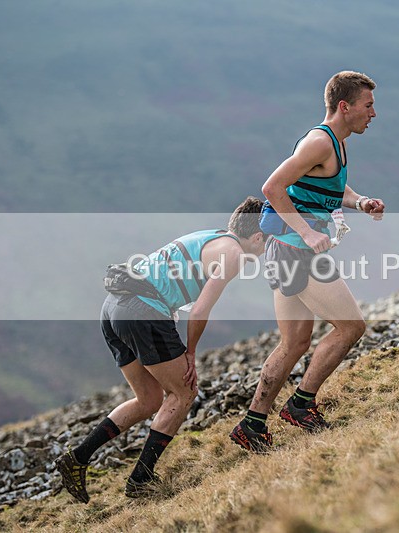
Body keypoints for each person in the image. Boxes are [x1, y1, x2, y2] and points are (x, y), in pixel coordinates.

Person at [56, 197, 266, 502]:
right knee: (184, 392)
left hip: (114, 306)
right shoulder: (233, 253)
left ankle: (77, 457)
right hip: (143, 311)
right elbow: (200, 311)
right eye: (267, 240)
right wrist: (190, 353)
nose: (264, 249)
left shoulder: (211, 236)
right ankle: (141, 478)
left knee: (150, 398)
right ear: (257, 237)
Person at [229, 71, 385, 452]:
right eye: (368, 105)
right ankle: (301, 404)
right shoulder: (319, 142)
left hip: (285, 249)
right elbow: (272, 188)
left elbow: (328, 185)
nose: (374, 113)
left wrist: (359, 201)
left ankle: (252, 424)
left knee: (295, 342)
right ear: (345, 107)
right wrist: (308, 233)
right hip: (294, 249)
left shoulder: (335, 143)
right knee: (351, 327)